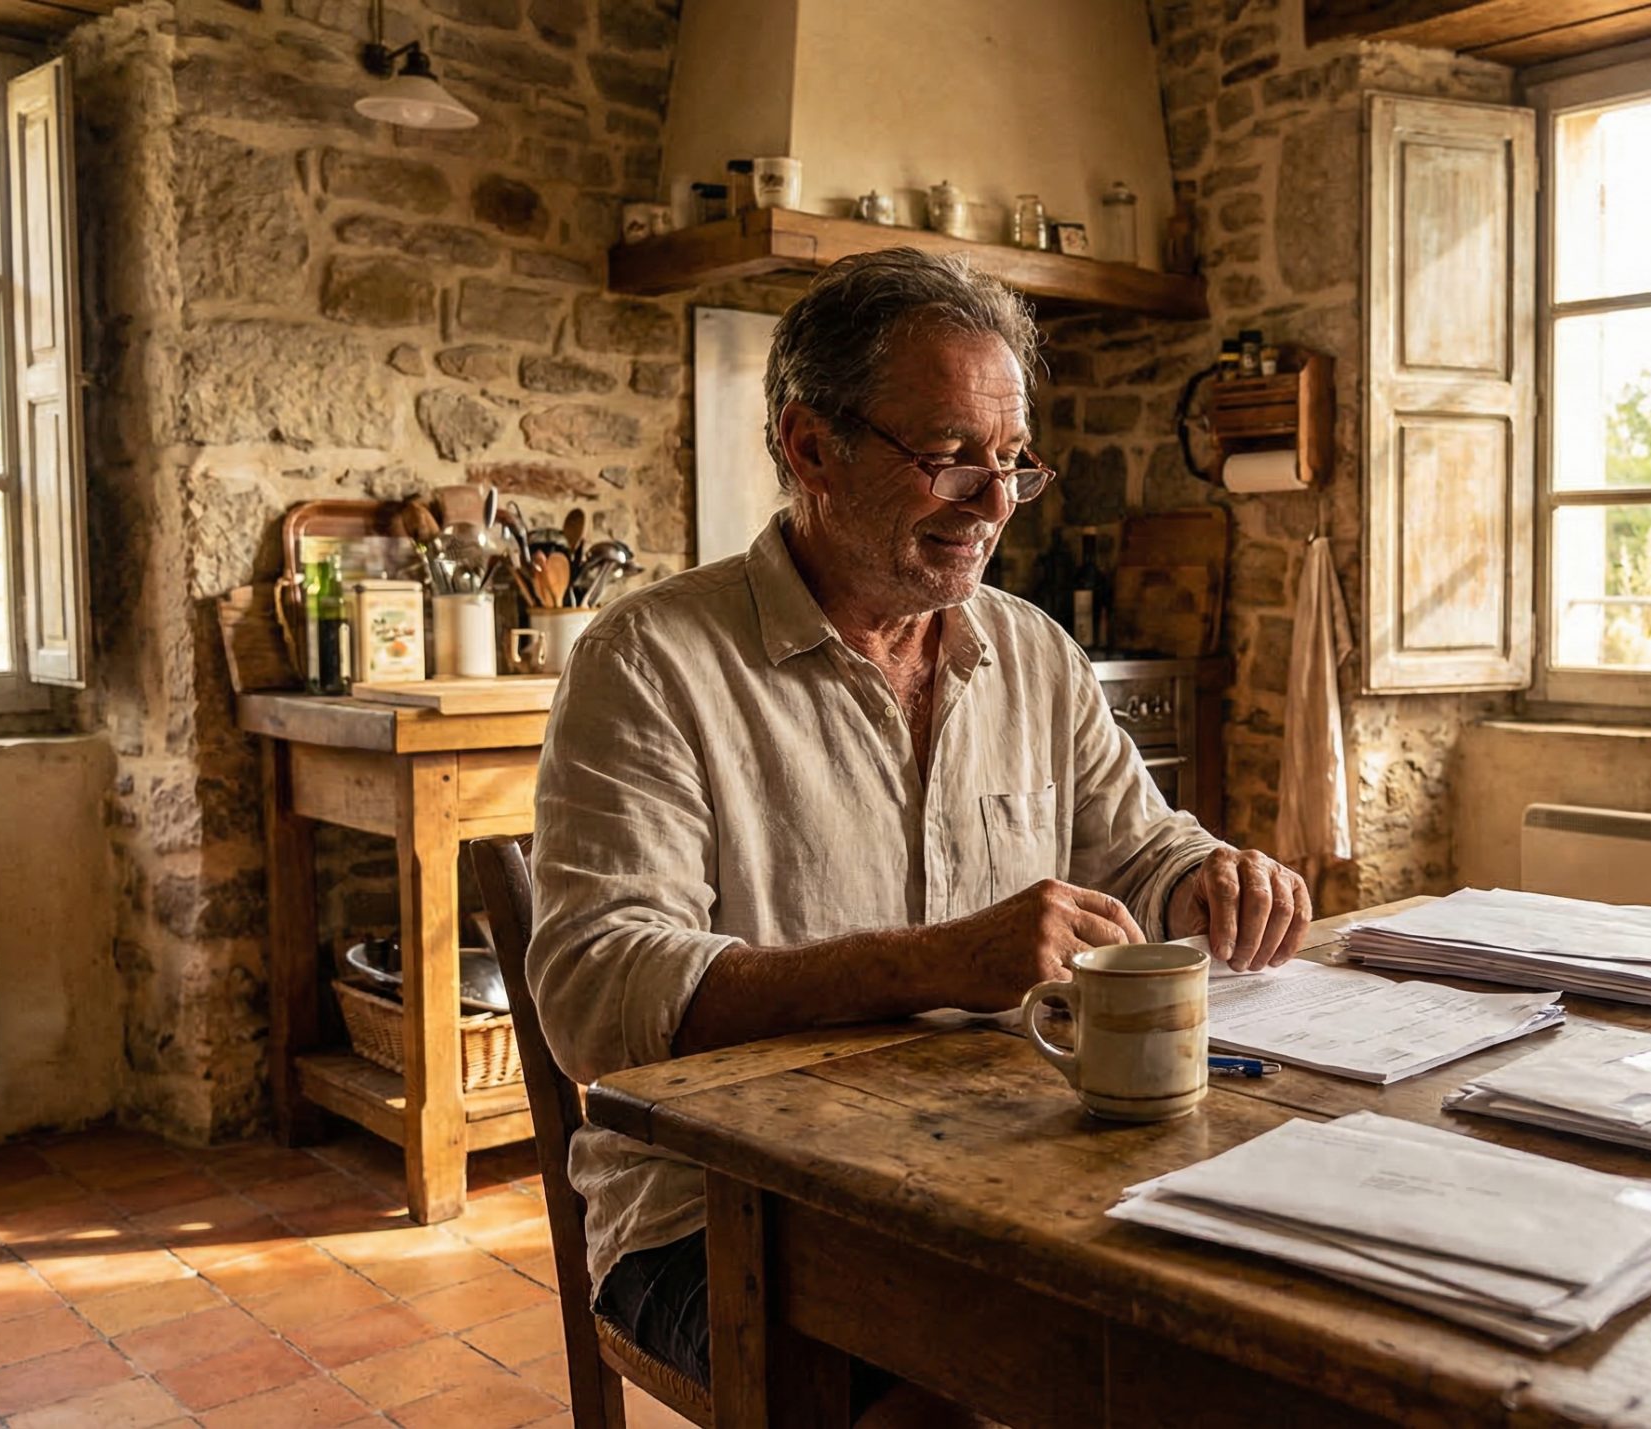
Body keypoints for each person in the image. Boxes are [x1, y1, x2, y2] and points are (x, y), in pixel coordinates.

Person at [528, 248, 1312, 1419]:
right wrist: (937, 961)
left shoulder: (1034, 653)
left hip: (998, 1169)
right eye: (950, 460)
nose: (994, 504)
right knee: (969, 1398)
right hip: (715, 1213)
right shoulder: (652, 661)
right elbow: (596, 997)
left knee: (1245, 1338)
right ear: (809, 447)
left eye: (1010, 464)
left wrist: (1210, 877)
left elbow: (1143, 854)